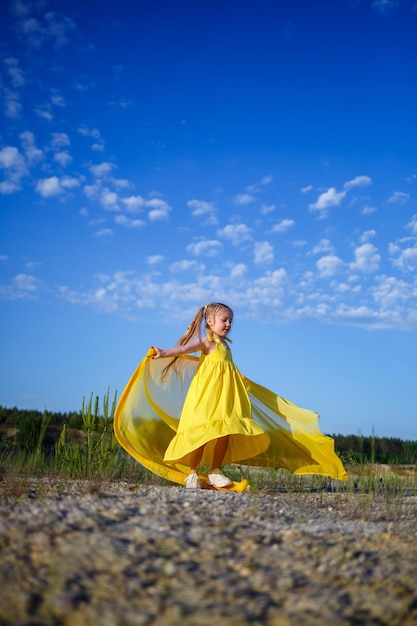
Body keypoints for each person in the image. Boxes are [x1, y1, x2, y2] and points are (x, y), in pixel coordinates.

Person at [114, 302, 348, 490]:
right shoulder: (207, 343)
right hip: (206, 396)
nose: (228, 324)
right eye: (224, 320)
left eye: (230, 321)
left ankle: (214, 471)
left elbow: (227, 369)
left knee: (225, 432)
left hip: (226, 396)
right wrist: (163, 352)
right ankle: (193, 473)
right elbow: (183, 349)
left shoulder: (227, 345)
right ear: (210, 322)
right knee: (201, 433)